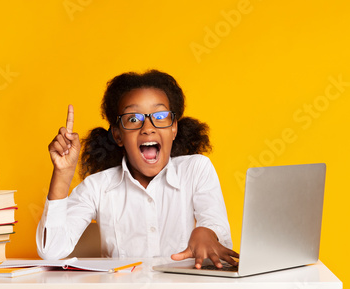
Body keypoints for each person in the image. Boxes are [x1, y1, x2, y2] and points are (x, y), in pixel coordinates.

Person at [36, 70, 239, 269]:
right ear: (117, 135)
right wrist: (63, 174)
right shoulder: (97, 187)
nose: (148, 127)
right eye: (133, 119)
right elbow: (52, 251)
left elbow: (221, 237)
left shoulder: (196, 169)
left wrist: (207, 233)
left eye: (160, 116)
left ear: (174, 128)